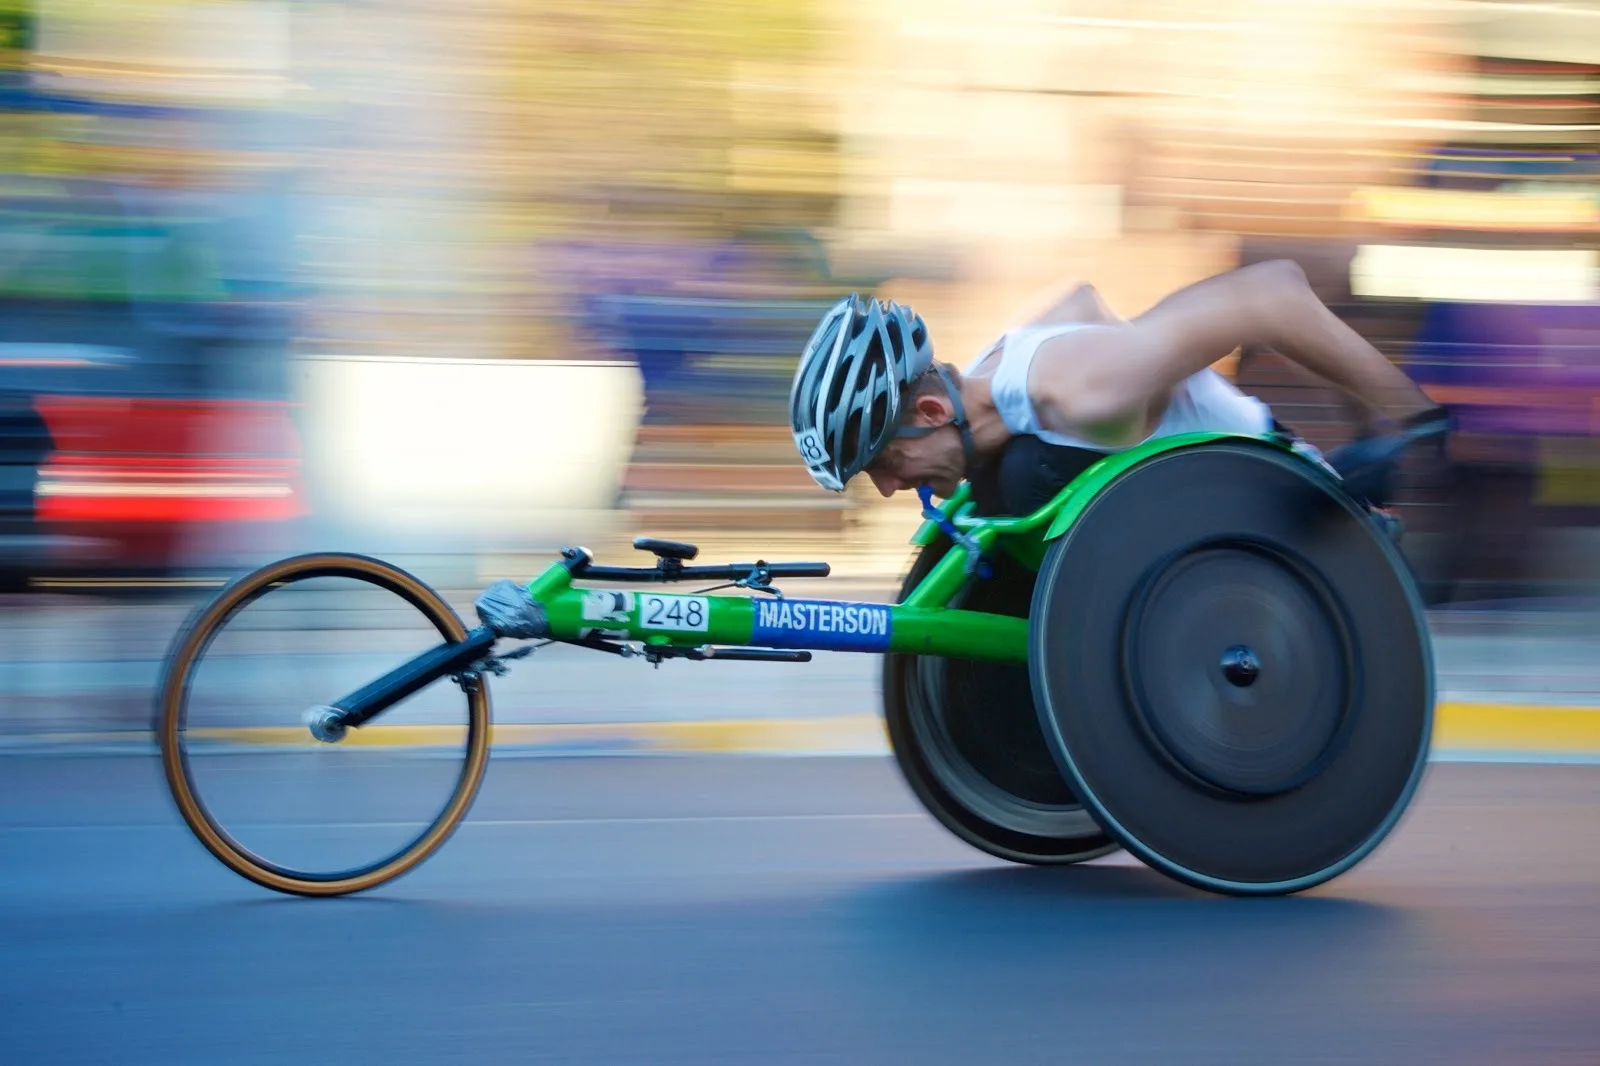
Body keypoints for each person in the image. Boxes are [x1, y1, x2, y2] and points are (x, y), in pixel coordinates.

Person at [788, 260, 1450, 517]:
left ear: (932, 411)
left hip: (1274, 504)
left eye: (883, 462)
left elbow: (1271, 296)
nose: (887, 487)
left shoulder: (1084, 393)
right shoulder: (1002, 368)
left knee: (1023, 475)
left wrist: (1399, 423)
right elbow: (1078, 297)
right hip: (1182, 506)